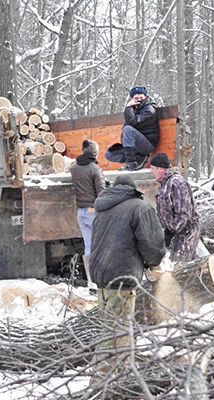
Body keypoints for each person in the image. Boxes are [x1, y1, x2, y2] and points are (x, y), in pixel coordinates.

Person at [89, 175, 165, 375]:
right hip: (120, 279)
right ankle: (107, 384)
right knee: (118, 335)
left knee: (110, 331)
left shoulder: (103, 208)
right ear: (133, 188)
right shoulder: (140, 208)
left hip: (101, 278)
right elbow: (152, 244)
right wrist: (154, 264)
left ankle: (120, 375)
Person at [69, 139, 106, 291]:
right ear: (94, 153)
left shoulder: (74, 169)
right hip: (93, 211)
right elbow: (102, 193)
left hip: (81, 213)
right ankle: (102, 281)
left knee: (89, 247)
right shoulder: (95, 170)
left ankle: (92, 282)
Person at [150, 153, 200, 262]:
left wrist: (171, 232)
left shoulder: (177, 183)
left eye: (153, 168)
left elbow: (184, 214)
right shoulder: (165, 184)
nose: (151, 171)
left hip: (186, 234)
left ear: (160, 169)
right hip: (175, 233)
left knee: (179, 268)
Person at [105, 86, 160, 171]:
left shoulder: (149, 109)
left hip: (147, 144)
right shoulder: (134, 109)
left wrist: (128, 107)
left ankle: (131, 163)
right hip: (135, 146)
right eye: (136, 98)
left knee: (128, 129)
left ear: (146, 97)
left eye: (141, 98)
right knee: (109, 154)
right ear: (132, 99)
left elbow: (132, 122)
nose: (139, 100)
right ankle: (138, 158)